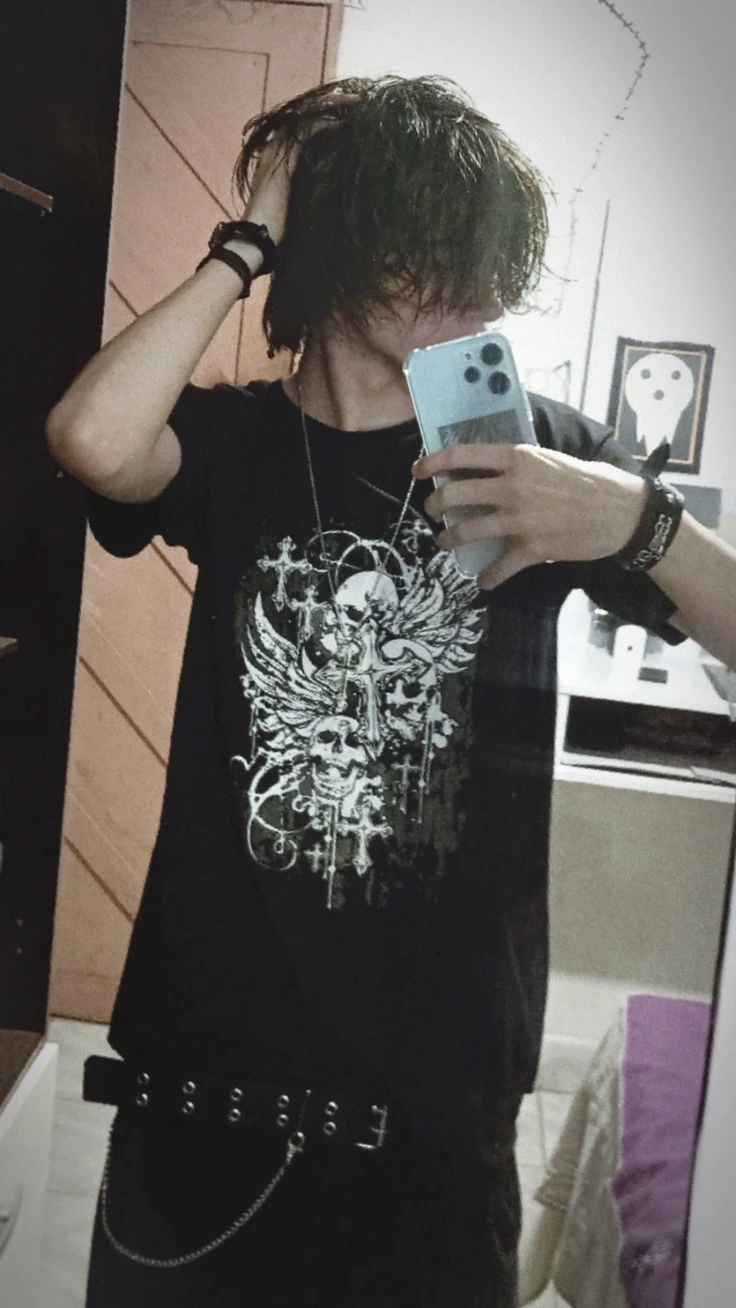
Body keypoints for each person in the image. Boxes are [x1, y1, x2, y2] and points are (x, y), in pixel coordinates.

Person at [45, 75, 735, 1308]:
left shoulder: (535, 462)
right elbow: (94, 439)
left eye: (492, 261)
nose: (482, 293)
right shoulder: (236, 447)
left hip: (431, 1126)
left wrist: (634, 521)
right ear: (345, 244)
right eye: (443, 249)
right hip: (205, 1104)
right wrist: (248, 240)